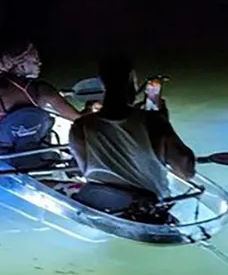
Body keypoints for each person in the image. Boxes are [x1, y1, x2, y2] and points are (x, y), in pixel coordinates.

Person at [68, 54, 196, 217]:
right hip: (145, 207)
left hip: (99, 201)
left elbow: (86, 170)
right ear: (131, 79)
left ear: (101, 83)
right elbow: (186, 171)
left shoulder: (79, 127)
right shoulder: (153, 122)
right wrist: (163, 122)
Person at [0, 41, 85, 155]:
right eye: (35, 61)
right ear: (21, 66)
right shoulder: (44, 90)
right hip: (37, 149)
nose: (40, 63)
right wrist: (90, 107)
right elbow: (78, 118)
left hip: (5, 152)